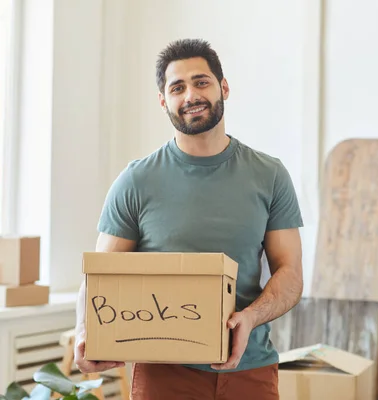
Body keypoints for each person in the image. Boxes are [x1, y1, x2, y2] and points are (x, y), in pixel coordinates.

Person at [73, 38, 304, 400]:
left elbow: (290, 274)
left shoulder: (270, 175)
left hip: (250, 368)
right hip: (164, 373)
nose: (190, 95)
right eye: (177, 87)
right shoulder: (136, 181)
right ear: (163, 101)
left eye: (201, 82)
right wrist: (85, 329)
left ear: (223, 87)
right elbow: (101, 273)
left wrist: (250, 318)